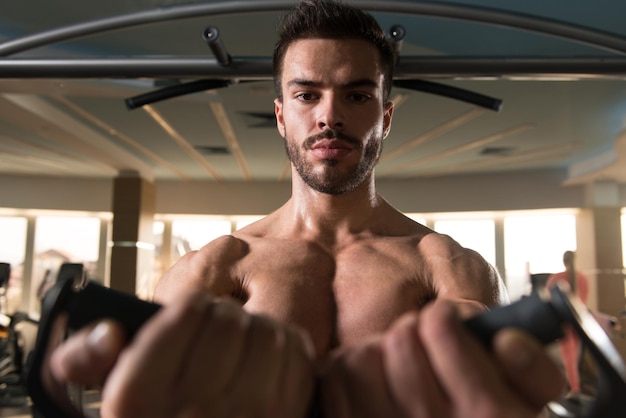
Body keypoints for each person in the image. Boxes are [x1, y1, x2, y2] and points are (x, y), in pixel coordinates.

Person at [49, 1, 565, 417]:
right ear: (280, 114)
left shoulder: (445, 264)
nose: (330, 116)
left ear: (386, 117)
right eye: (307, 95)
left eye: (357, 96)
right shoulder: (217, 265)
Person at [547, 250, 589, 396]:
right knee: (573, 357)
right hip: (580, 323)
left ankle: (573, 388)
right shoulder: (583, 278)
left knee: (567, 358)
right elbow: (583, 303)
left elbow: (549, 301)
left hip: (563, 324)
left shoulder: (556, 278)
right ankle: (574, 387)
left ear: (564, 261)